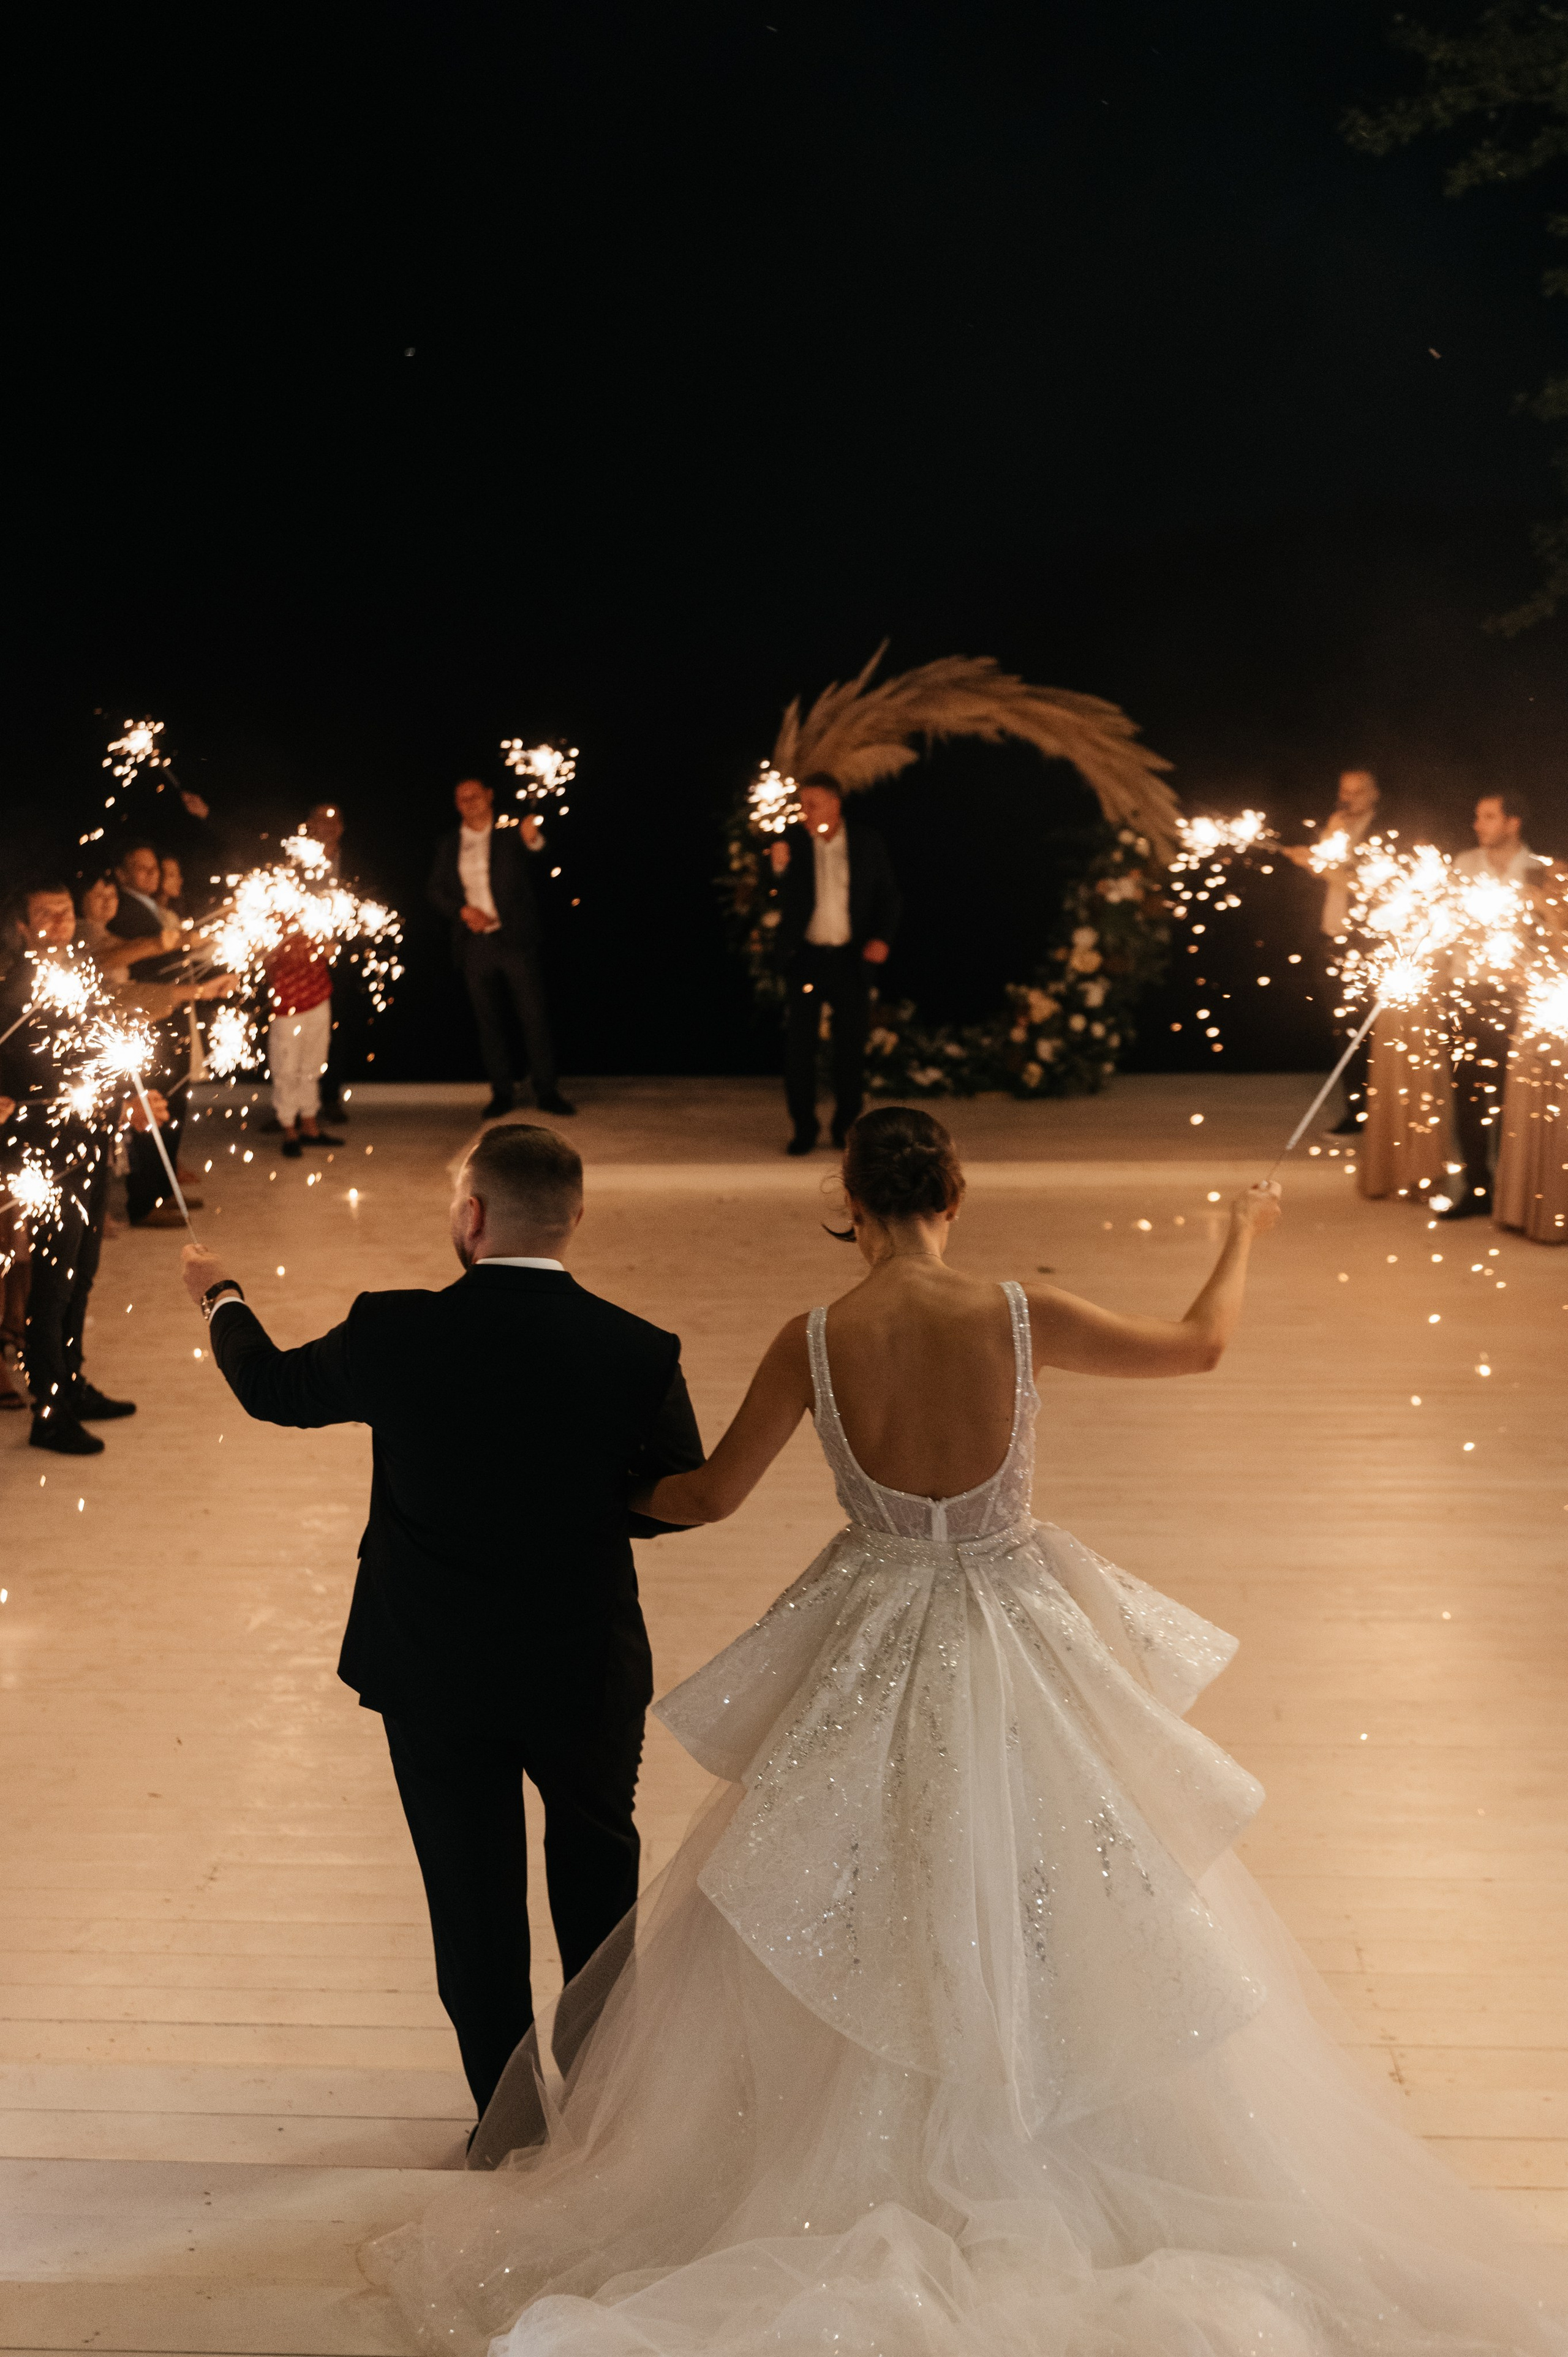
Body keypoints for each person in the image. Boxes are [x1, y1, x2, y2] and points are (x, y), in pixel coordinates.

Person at [367, 1107, 1564, 2356]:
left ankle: (851, 2134)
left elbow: (705, 1492)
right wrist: (1238, 1233)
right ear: (953, 1192)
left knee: (853, 1881)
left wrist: (555, 1476)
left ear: (850, 1198)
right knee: (1057, 1874)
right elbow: (1200, 1347)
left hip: (872, 1632)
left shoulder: (816, 1337)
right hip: (1012, 1630)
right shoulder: (1017, 1311)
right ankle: (1041, 2112)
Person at [176, 1120, 703, 2125]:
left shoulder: (395, 1330)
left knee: (474, 1906)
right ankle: (604, 2119)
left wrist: (222, 1293)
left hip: (434, 1665)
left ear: (472, 1216)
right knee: (600, 1886)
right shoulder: (637, 1349)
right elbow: (669, 1495)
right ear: (576, 1216)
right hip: (584, 1660)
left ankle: (507, 2130)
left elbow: (272, 1389)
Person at [0, 884, 141, 1453]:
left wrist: (126, 1092)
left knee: (81, 1271)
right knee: (53, 1282)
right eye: (45, 914)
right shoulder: (13, 987)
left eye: (64, 910)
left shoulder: (82, 976)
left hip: (91, 1138)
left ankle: (72, 1382)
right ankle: (50, 1412)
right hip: (42, 1148)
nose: (58, 921)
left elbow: (102, 1047)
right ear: (25, 927)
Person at [769, 772, 900, 1155]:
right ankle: (804, 1128)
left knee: (850, 1047)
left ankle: (846, 1127)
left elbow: (889, 896)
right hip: (807, 957)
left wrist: (882, 939)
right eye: (802, 804)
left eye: (813, 804)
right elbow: (772, 890)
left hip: (850, 958)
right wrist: (777, 867)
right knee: (800, 1048)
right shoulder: (792, 841)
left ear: (834, 803)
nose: (805, 812)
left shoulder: (866, 842)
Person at [428, 779, 574, 1120]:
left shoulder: (510, 832)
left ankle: (547, 1090)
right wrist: (463, 911)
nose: (468, 803)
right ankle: (502, 1092)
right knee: (488, 1022)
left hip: (515, 941)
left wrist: (534, 838)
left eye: (474, 796)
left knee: (533, 1016)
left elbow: (540, 852)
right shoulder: (449, 843)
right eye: (460, 798)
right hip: (474, 945)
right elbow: (435, 891)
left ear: (490, 796)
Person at [1441, 790, 1552, 1223]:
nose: (1477, 824)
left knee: (1514, 1095)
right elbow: (1443, 926)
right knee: (1467, 1093)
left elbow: (1554, 937)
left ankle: (1513, 1188)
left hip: (1519, 999)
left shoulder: (1541, 871)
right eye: (1477, 816)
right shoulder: (1463, 867)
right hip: (1468, 993)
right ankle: (1476, 1187)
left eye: (1488, 816)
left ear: (1513, 823)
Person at [1282, 767, 1381, 1133]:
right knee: (1343, 1029)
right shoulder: (1334, 826)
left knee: (1364, 1030)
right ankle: (1356, 1110)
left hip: (1365, 946)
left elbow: (1362, 884)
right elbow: (1322, 875)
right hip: (1329, 941)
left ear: (1374, 795)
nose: (1348, 798)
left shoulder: (1381, 835)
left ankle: (1374, 1113)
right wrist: (1316, 850)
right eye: (1344, 791)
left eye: (1357, 792)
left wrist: (1319, 865)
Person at [105, 842, 200, 1226]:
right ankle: (144, 1201)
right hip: (149, 1021)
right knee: (153, 1107)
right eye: (139, 868)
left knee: (170, 1106)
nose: (149, 876)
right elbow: (154, 961)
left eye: (153, 869)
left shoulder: (153, 908)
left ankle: (161, 1191)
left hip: (167, 1015)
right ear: (122, 872)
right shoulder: (126, 912)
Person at [264, 925, 341, 1158]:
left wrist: (329, 948)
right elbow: (265, 958)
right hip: (287, 1002)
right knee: (286, 1067)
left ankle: (310, 1125)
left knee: (314, 1064)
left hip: (318, 995)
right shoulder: (266, 911)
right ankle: (289, 1130)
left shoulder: (314, 911)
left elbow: (329, 947)